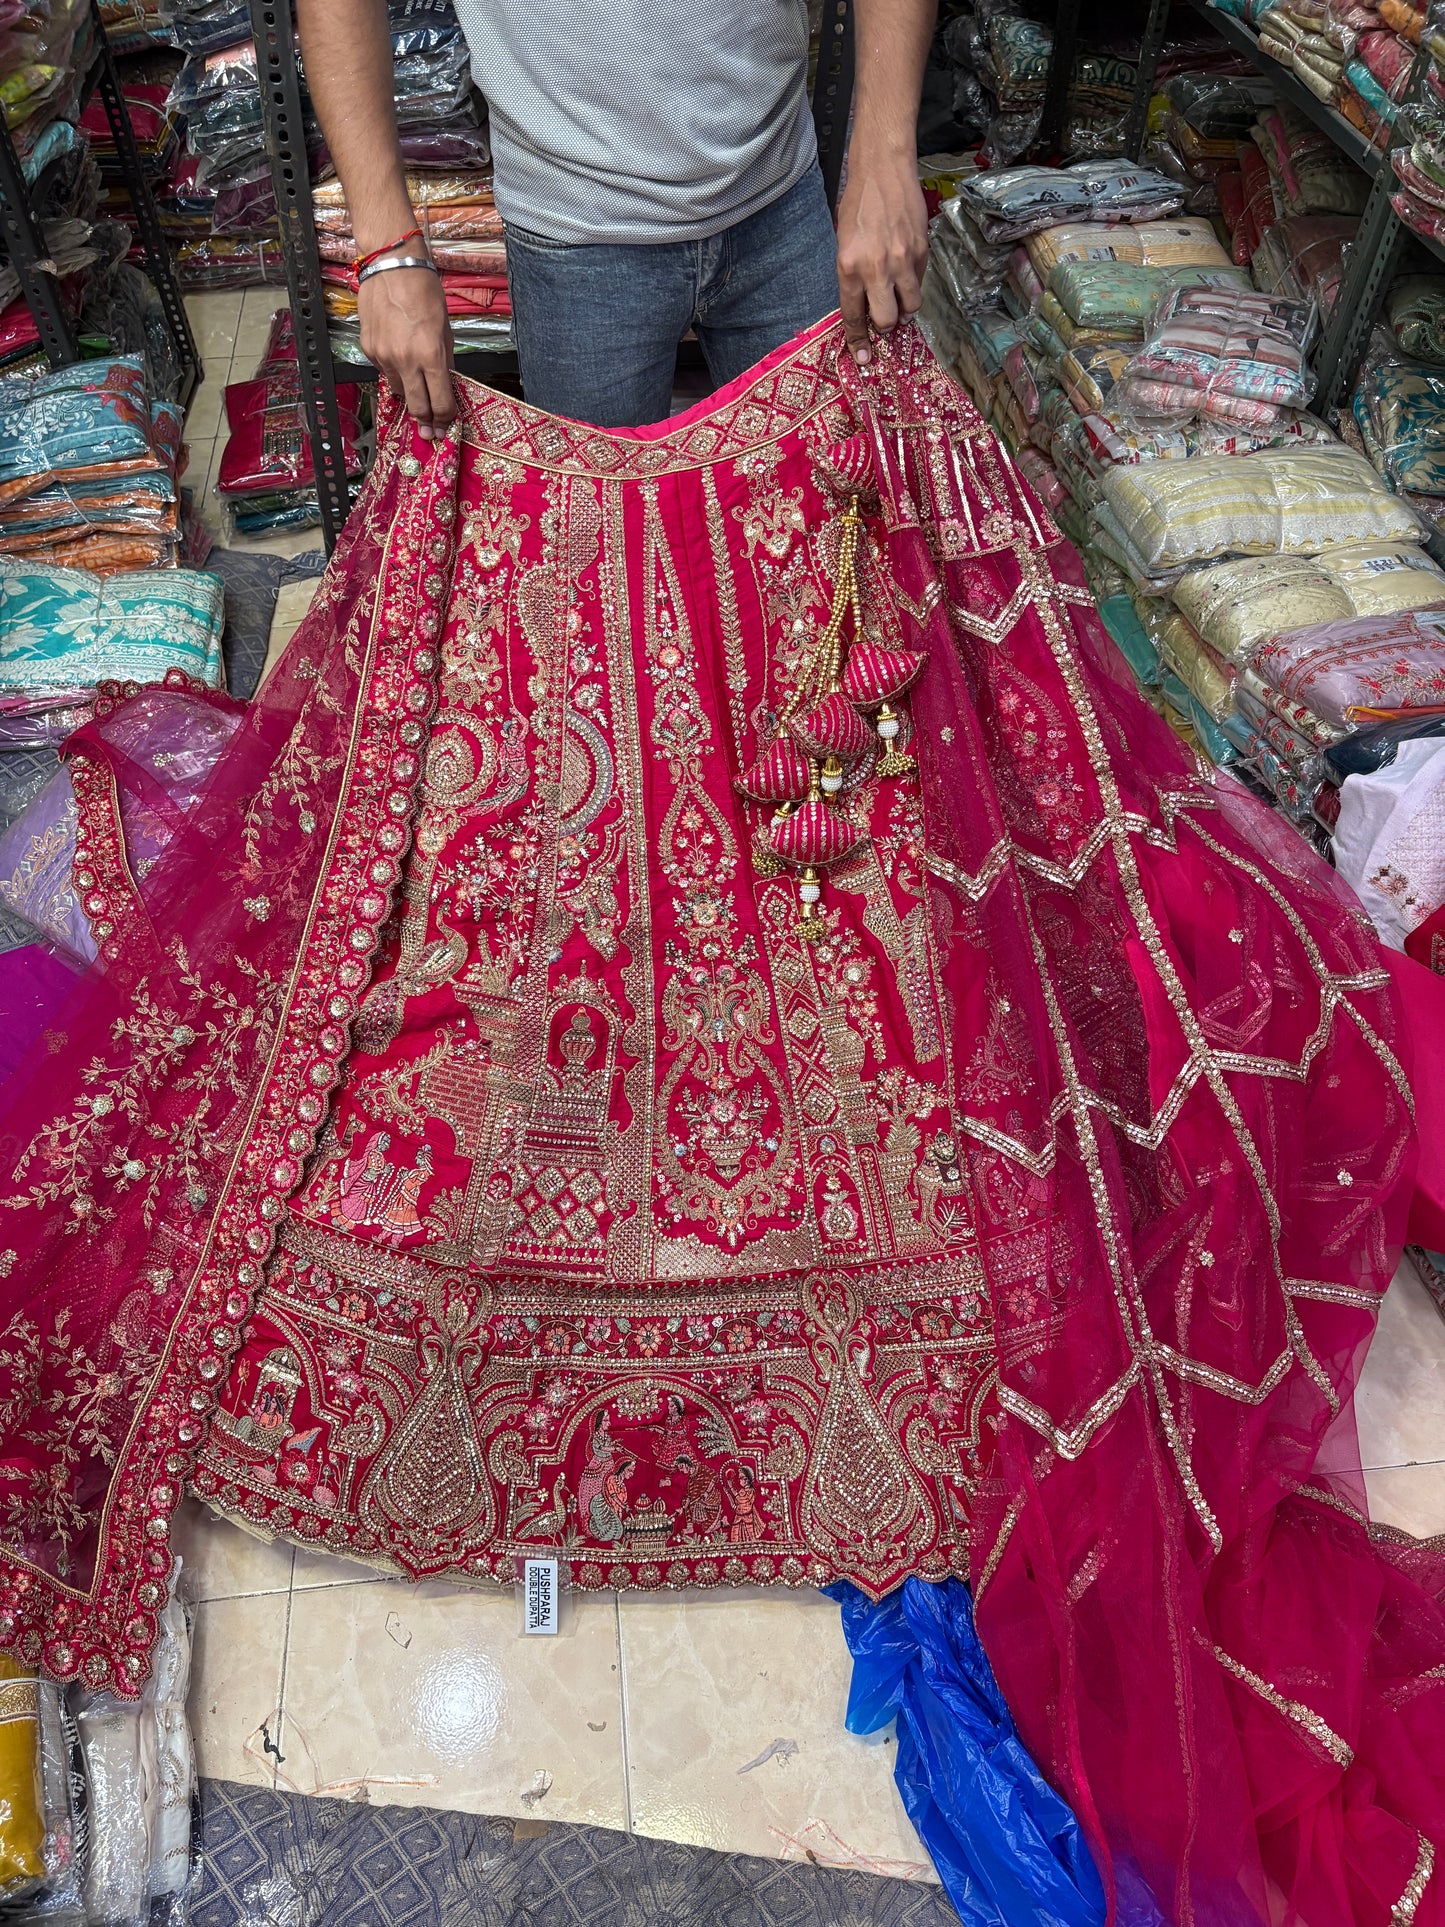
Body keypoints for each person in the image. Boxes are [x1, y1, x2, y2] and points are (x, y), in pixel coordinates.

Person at [295, 0, 936, 430]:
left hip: (778, 190)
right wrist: (387, 246)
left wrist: (885, 157)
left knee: (825, 540)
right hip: (575, 236)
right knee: (599, 572)